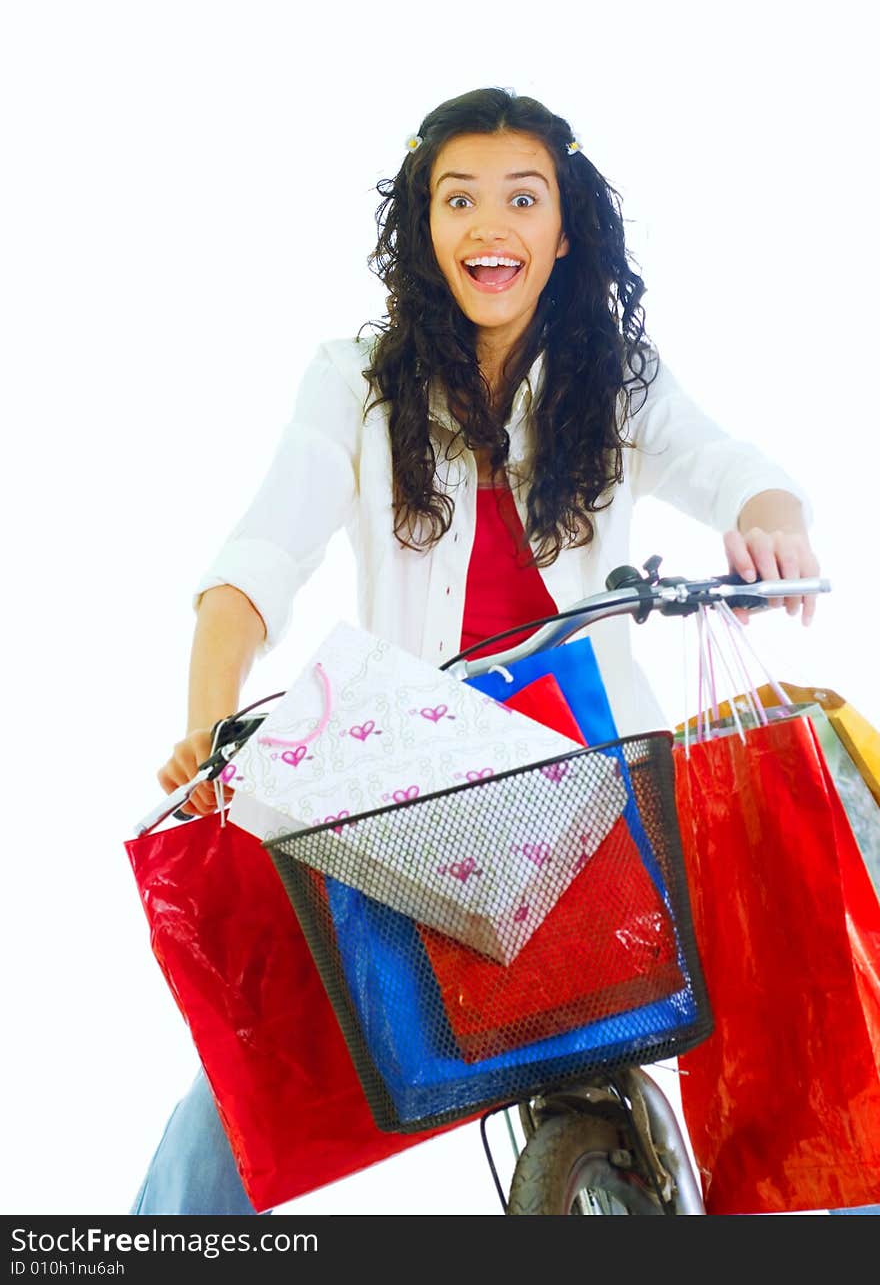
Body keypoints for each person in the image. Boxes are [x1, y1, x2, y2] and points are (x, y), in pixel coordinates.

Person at [132, 86, 821, 1216]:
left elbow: (728, 463)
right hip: (418, 802)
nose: (488, 224)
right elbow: (258, 559)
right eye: (459, 200)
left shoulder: (618, 381)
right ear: (425, 225)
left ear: (564, 227)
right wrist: (210, 721)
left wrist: (769, 516)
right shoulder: (354, 380)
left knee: (796, 1015)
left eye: (520, 197)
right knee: (245, 1092)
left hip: (606, 791)